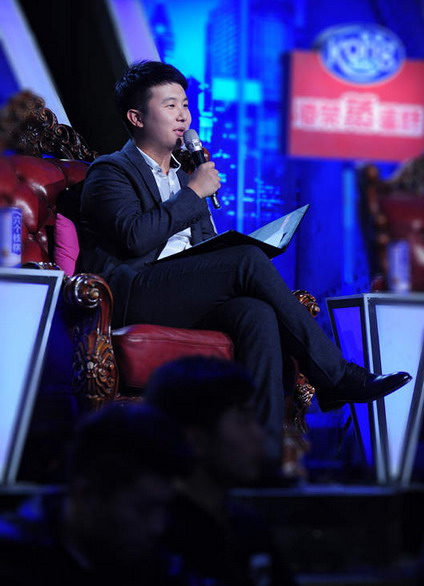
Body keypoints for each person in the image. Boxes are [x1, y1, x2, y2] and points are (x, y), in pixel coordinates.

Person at [77, 59, 411, 465]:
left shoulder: (185, 177)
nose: (183, 115)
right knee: (247, 260)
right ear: (136, 117)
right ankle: (335, 374)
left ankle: (261, 456)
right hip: (133, 293)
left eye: (185, 105)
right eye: (169, 105)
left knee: (256, 313)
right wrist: (194, 194)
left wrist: (213, 226)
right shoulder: (110, 171)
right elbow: (135, 237)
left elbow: (202, 247)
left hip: (183, 293)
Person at [144, 355, 298, 586]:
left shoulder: (248, 528)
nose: (259, 435)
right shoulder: (154, 540)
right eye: (243, 419)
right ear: (194, 438)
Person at [0, 403, 193, 585]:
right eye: (143, 509)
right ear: (86, 494)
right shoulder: (13, 562)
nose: (157, 526)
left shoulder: (162, 559)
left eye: (163, 507)